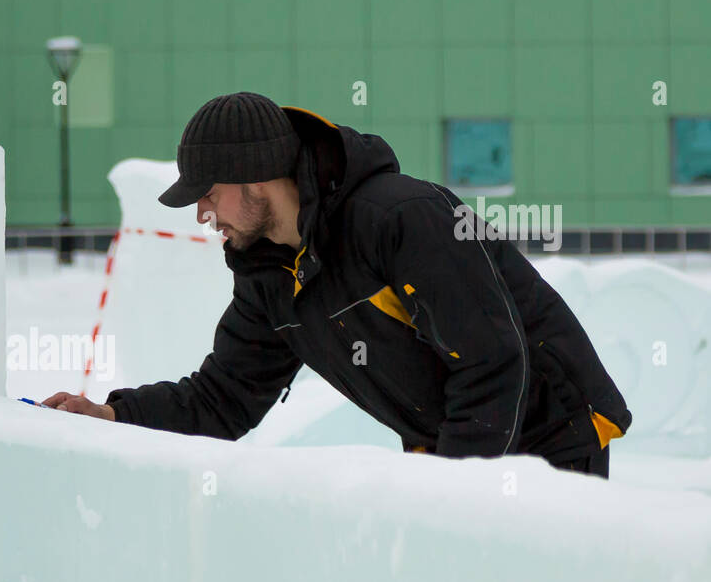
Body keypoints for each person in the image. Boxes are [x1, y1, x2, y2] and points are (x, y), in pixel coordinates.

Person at [43, 92, 629, 478]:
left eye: (208, 193)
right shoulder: (269, 276)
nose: (201, 213)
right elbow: (221, 399)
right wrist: (114, 415)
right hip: (454, 454)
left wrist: (453, 496)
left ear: (256, 177)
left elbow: (491, 361)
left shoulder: (399, 218)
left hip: (556, 435)